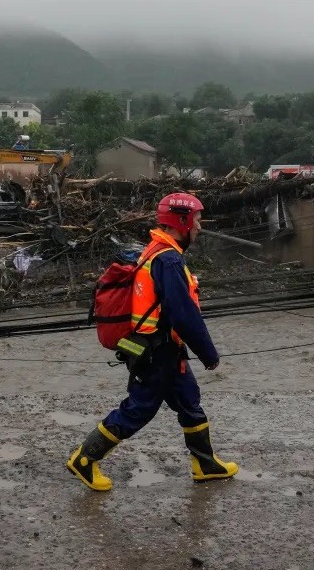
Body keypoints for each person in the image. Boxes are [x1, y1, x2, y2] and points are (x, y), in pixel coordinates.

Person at [66, 192, 239, 491]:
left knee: (188, 400)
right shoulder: (168, 260)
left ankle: (205, 463)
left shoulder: (158, 251)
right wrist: (208, 353)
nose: (199, 227)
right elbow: (182, 313)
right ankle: (84, 459)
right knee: (140, 408)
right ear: (181, 221)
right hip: (156, 352)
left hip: (165, 349)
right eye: (196, 221)